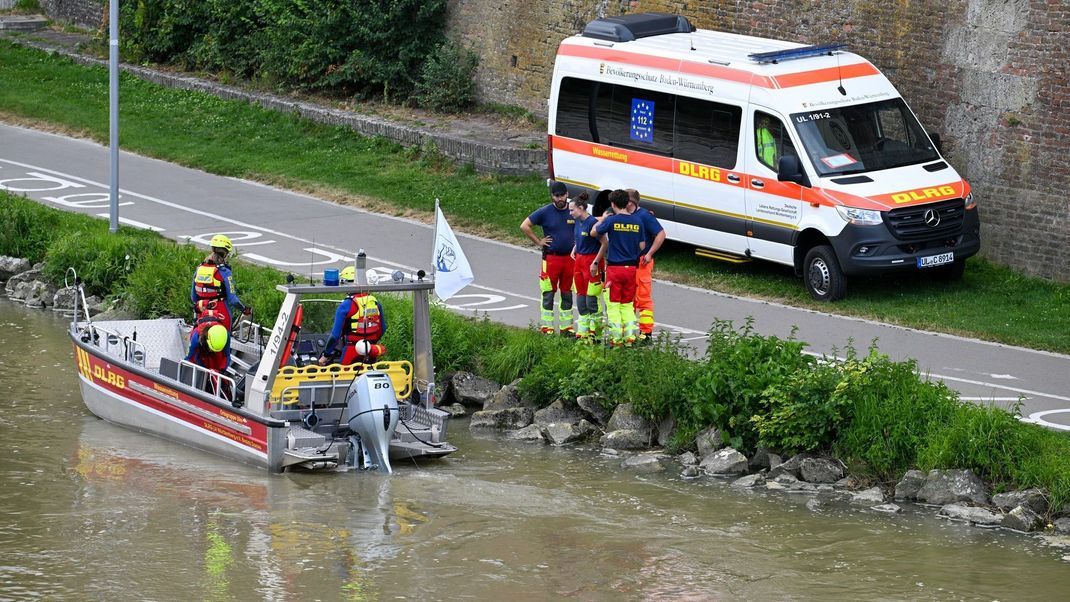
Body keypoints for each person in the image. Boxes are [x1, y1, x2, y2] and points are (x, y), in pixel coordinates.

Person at [520, 181, 576, 335]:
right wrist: (539, 242)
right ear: (552, 196)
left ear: (567, 195)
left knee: (567, 293)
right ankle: (547, 328)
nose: (559, 199)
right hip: (552, 259)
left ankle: (566, 328)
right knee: (548, 293)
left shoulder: (573, 210)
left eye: (562, 196)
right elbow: (524, 226)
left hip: (570, 260)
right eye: (556, 196)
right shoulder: (545, 212)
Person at [592, 189, 646, 346]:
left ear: (613, 204)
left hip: (615, 269)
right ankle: (630, 338)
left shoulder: (612, 221)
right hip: (631, 269)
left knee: (613, 305)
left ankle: (616, 340)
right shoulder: (637, 221)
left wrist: (603, 219)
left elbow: (594, 232)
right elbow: (642, 245)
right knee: (628, 304)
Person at [626, 189, 666, 342]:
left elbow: (661, 234)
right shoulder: (622, 214)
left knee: (643, 298)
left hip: (642, 262)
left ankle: (646, 333)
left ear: (630, 202)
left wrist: (649, 253)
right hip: (627, 263)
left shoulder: (644, 216)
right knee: (628, 299)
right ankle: (629, 332)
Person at [191, 234, 249, 331]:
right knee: (225, 341)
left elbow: (193, 297)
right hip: (221, 313)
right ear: (225, 254)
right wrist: (244, 309)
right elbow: (233, 300)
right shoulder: (225, 272)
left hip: (202, 313)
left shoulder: (199, 269)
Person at [318, 292, 387, 366]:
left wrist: (326, 355)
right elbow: (382, 329)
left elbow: (335, 336)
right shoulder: (375, 303)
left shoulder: (345, 305)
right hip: (370, 350)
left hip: (350, 351)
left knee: (344, 376)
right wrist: (371, 342)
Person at [569, 192, 601, 342]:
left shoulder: (592, 222)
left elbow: (605, 243)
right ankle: (582, 333)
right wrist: (575, 247)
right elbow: (579, 238)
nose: (570, 213)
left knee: (591, 300)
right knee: (580, 298)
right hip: (579, 260)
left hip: (591, 260)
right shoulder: (577, 221)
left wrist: (596, 261)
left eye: (572, 210)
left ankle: (596, 333)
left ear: (581, 208)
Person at [185, 306, 232, 399]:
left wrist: (221, 371)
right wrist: (204, 371)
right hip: (201, 353)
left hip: (214, 347)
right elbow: (190, 357)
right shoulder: (196, 337)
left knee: (217, 366)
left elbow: (226, 355)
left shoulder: (225, 335)